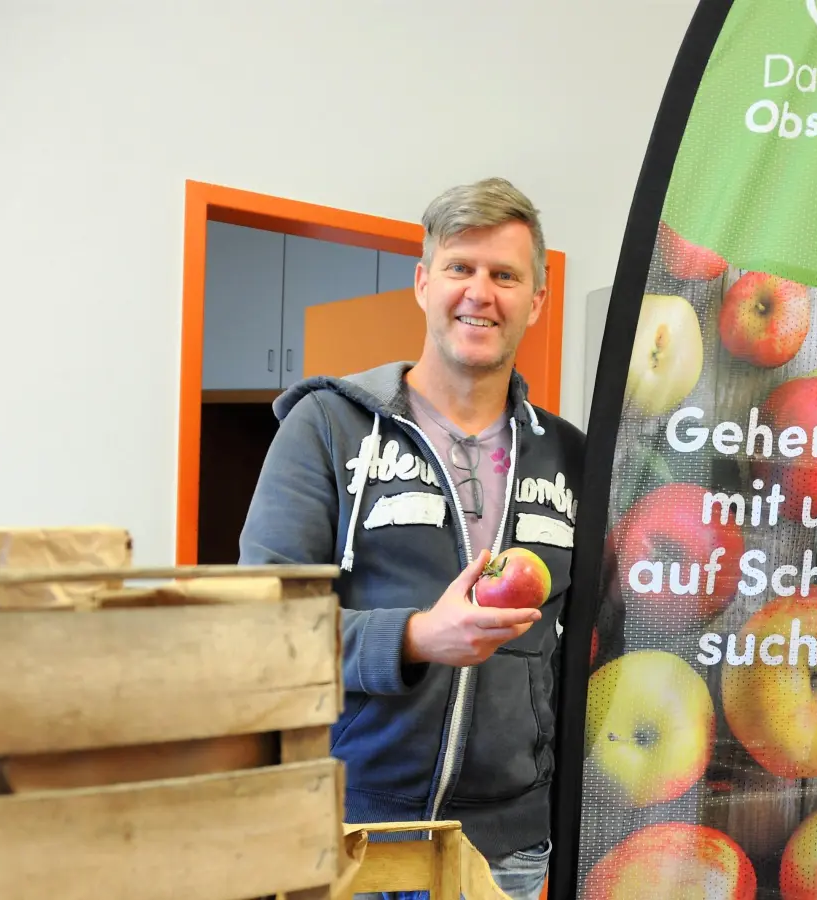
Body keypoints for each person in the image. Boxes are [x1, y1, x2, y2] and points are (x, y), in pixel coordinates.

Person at [238, 177, 584, 900]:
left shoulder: (570, 457)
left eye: (505, 275)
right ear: (424, 282)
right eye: (460, 268)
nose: (479, 294)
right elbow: (259, 628)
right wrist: (416, 637)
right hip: (349, 838)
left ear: (537, 302)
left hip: (506, 853)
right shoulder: (326, 428)